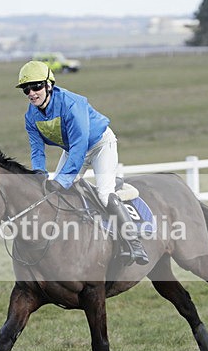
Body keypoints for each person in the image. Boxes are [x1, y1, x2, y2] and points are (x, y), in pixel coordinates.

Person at [15, 60, 149, 266]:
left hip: (99, 145)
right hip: (73, 150)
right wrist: (39, 173)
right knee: (54, 194)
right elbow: (37, 149)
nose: (31, 93)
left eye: (36, 86)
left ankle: (134, 243)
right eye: (26, 89)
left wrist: (62, 180)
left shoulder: (71, 103)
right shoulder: (30, 116)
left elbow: (80, 146)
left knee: (104, 195)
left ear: (49, 85)